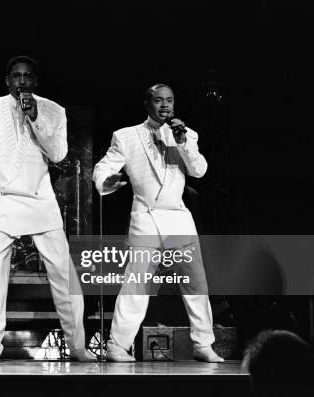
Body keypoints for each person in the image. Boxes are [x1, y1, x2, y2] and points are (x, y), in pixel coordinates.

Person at [0, 56, 92, 361]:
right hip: (2, 199)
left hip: (39, 198)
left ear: (35, 81)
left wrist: (37, 116)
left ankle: (78, 344)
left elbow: (58, 154)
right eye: (16, 76)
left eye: (28, 76)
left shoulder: (54, 110)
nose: (22, 82)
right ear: (7, 80)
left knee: (63, 273)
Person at [93, 84, 223, 362]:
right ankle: (117, 345)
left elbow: (199, 170)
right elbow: (104, 166)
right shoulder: (126, 136)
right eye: (158, 100)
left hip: (178, 218)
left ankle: (203, 344)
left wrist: (183, 141)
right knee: (136, 283)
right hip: (147, 217)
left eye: (170, 100)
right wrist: (107, 181)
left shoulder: (187, 135)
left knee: (196, 282)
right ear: (147, 104)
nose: (165, 105)